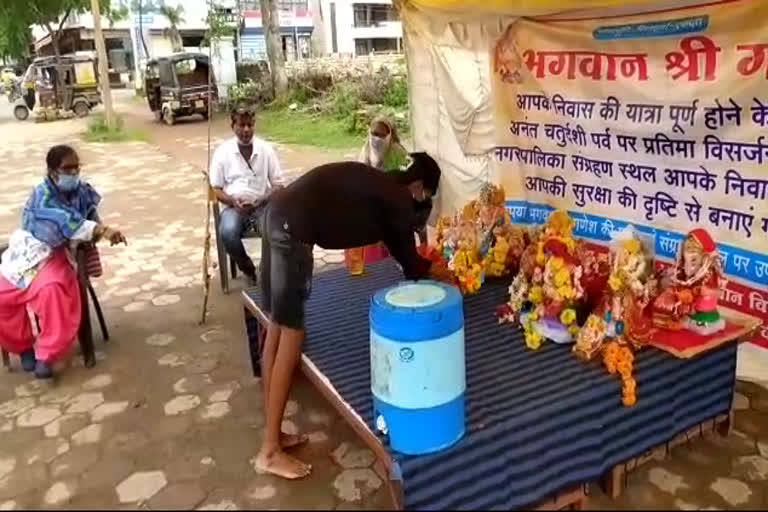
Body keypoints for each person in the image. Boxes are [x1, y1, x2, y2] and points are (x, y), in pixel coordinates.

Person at [255, 152, 441, 479]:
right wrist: (439, 274)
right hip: (292, 228)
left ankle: (274, 433)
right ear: (419, 185)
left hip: (276, 213)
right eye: (425, 196)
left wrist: (419, 265)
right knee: (292, 332)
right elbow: (411, 266)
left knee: (277, 324)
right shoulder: (397, 197)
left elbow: (400, 250)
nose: (422, 204)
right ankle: (269, 451)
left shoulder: (384, 185)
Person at [0, 145, 126, 379]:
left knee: (53, 290)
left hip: (56, 254)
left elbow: (88, 221)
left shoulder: (83, 191)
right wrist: (101, 230)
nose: (73, 173)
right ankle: (23, 346)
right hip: (29, 249)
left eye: (76, 167)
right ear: (52, 171)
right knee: (2, 295)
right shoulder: (41, 195)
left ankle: (46, 354)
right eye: (67, 168)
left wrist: (102, 231)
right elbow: (60, 221)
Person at [210, 106, 285, 285]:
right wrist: (232, 201)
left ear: (254, 125)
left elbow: (279, 184)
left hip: (261, 206)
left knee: (276, 231)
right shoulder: (223, 152)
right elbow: (216, 189)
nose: (246, 130)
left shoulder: (265, 150)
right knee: (227, 233)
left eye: (249, 125)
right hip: (233, 208)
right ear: (232, 126)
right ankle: (249, 269)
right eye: (241, 125)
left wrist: (263, 199)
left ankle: (267, 271)